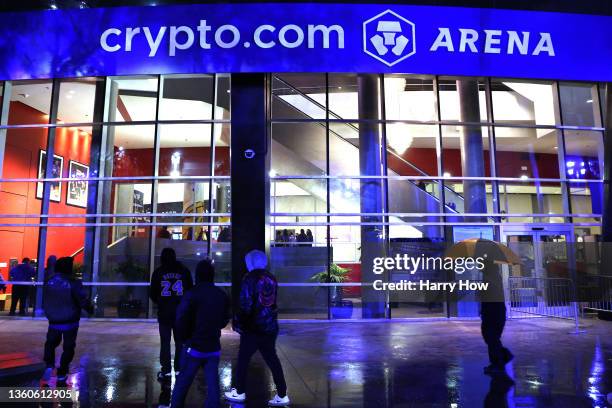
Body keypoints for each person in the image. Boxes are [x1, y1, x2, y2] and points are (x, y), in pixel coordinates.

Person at [225, 250, 290, 406]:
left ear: (251, 262)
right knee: (272, 359)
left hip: (253, 328)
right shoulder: (271, 278)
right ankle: (282, 394)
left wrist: (239, 323)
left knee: (243, 359)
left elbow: (245, 304)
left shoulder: (249, 278)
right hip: (270, 327)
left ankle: (239, 392)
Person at [171, 259, 231, 408]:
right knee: (213, 386)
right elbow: (224, 319)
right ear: (212, 274)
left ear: (197, 274)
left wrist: (184, 338)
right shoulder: (221, 294)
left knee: (182, 384)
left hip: (194, 346)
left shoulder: (192, 293)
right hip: (213, 346)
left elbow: (181, 319)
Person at [41, 256, 94, 383]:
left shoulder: (49, 281)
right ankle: (62, 371)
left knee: (50, 343)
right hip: (70, 320)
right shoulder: (73, 282)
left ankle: (49, 365)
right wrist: (90, 308)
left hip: (53, 320)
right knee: (68, 347)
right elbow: (81, 299)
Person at [149, 247, 194, 380]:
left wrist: (161, 302)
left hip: (164, 313)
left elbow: (152, 293)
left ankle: (166, 370)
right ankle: (179, 369)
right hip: (180, 313)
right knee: (180, 342)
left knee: (165, 342)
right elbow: (190, 291)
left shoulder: (158, 272)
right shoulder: (184, 271)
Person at [478, 242, 514, 375]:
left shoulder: (491, 277)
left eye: (480, 264)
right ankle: (501, 359)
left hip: (493, 312)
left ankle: (499, 363)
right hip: (493, 312)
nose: (478, 266)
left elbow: (490, 294)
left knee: (491, 338)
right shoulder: (491, 276)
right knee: (491, 338)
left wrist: (481, 291)